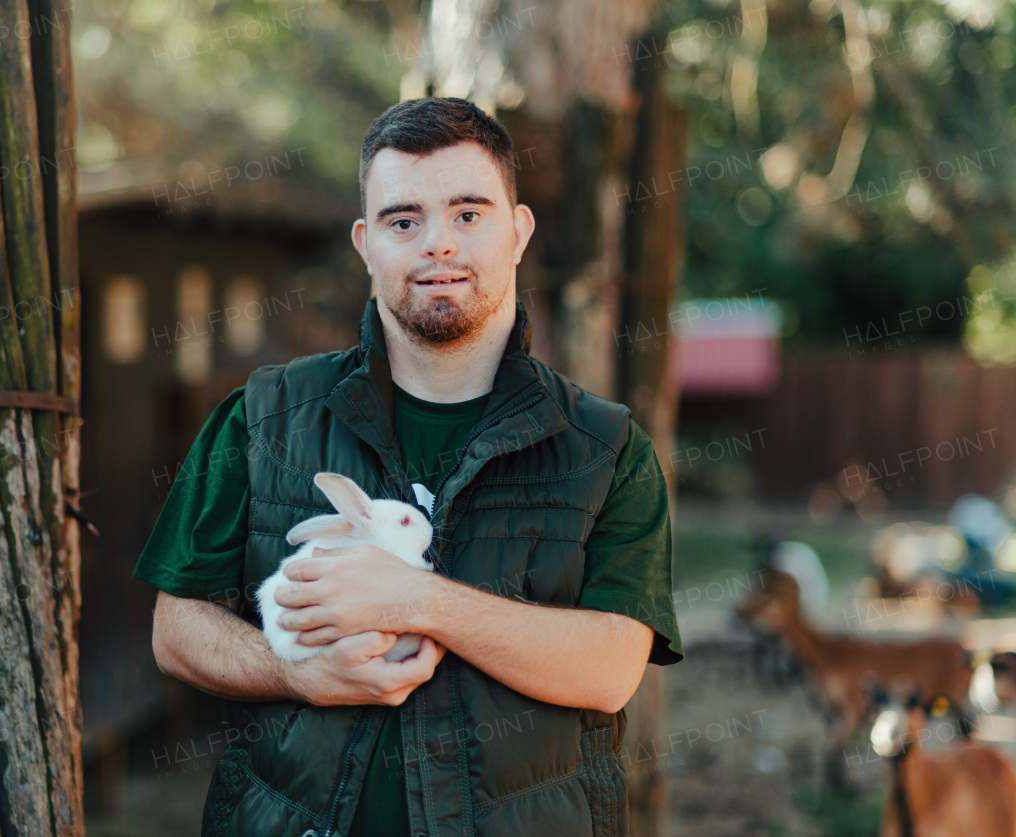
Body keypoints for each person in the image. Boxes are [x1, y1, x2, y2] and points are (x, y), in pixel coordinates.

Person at [134, 96, 683, 837]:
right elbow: (176, 628)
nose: (438, 245)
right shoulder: (262, 416)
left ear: (517, 232)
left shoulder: (606, 447)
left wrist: (416, 599)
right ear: (366, 244)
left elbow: (613, 668)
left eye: (468, 214)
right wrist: (295, 671)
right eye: (403, 221)